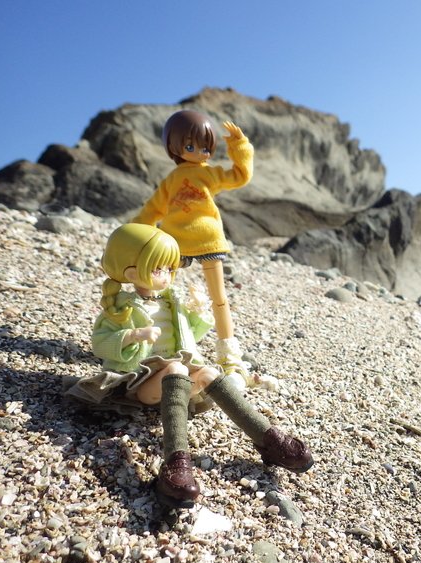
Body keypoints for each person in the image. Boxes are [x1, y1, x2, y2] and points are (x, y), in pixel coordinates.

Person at [66, 224, 313, 508]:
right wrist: (132, 335)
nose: (167, 275)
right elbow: (100, 344)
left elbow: (189, 337)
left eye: (170, 269)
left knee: (208, 372)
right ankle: (175, 464)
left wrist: (199, 311)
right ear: (132, 274)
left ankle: (267, 438)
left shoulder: (171, 301)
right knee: (176, 370)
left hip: (175, 374)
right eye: (159, 269)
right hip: (138, 381)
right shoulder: (120, 309)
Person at [132, 109, 255, 388]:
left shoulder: (208, 173)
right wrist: (132, 236)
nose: (200, 152)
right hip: (174, 244)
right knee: (160, 294)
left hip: (204, 240)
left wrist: (239, 145)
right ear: (173, 147)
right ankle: (157, 346)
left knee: (218, 298)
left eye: (205, 148)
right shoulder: (172, 180)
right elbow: (151, 211)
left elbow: (240, 175)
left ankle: (229, 356)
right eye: (190, 147)